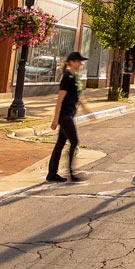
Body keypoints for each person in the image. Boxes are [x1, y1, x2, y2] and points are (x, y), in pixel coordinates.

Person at [46, 51, 91, 182]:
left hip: (69, 115)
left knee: (60, 143)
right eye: (78, 61)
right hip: (64, 116)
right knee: (74, 141)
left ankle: (51, 173)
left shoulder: (75, 77)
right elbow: (59, 100)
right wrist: (55, 119)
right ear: (71, 62)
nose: (81, 63)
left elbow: (80, 95)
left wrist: (87, 109)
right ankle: (71, 173)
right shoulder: (67, 78)